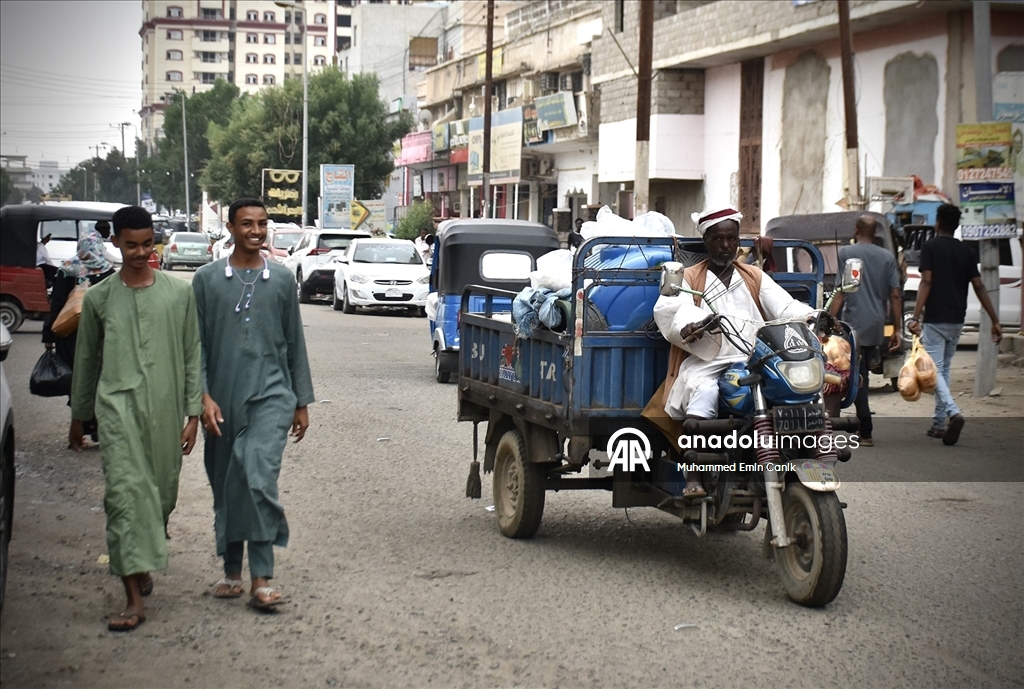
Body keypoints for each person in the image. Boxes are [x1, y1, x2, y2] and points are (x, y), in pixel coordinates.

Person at [70, 206, 202, 632]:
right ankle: (131, 599)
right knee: (125, 496)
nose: (140, 252)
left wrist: (193, 413)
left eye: (147, 244)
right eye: (131, 245)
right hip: (117, 409)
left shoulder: (178, 294)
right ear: (116, 243)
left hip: (165, 411)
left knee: (161, 495)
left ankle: (143, 557)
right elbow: (87, 359)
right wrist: (79, 415)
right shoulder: (100, 298)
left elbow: (191, 354)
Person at [193, 198, 314, 610]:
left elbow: (294, 342)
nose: (256, 231)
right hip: (223, 399)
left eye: (262, 223)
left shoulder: (280, 280)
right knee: (226, 481)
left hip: (272, 396)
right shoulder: (206, 280)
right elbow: (198, 347)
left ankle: (261, 576)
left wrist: (300, 400)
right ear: (230, 228)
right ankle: (231, 570)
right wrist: (203, 396)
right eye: (247, 223)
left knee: (258, 476)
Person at [653, 207, 815, 497]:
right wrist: (692, 325)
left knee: (797, 391)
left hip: (755, 360)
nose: (726, 246)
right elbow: (671, 309)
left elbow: (786, 306)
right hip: (709, 362)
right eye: (718, 239)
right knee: (704, 393)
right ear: (706, 241)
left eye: (731, 239)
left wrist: (812, 317)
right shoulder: (690, 277)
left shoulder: (754, 276)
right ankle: (695, 474)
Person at [909, 203, 1002, 445]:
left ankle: (952, 412)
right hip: (956, 320)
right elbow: (979, 285)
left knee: (936, 370)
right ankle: (938, 425)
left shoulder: (929, 247)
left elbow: (926, 282)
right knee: (944, 370)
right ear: (957, 225)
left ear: (937, 224)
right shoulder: (966, 251)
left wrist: (915, 316)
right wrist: (995, 320)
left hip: (936, 319)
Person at [828, 215, 902, 447]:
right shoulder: (887, 257)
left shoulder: (848, 254)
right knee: (862, 376)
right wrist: (897, 329)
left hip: (854, 325)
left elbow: (843, 291)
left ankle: (864, 429)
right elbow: (896, 295)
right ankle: (861, 428)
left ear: (856, 229)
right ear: (875, 233)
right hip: (876, 326)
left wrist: (829, 320)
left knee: (852, 376)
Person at [42, 224, 116, 442]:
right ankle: (94, 424)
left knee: (78, 380)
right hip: (100, 336)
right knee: (99, 379)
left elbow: (56, 306)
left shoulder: (66, 269)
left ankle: (82, 424)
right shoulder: (107, 272)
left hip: (71, 335)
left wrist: (49, 336)